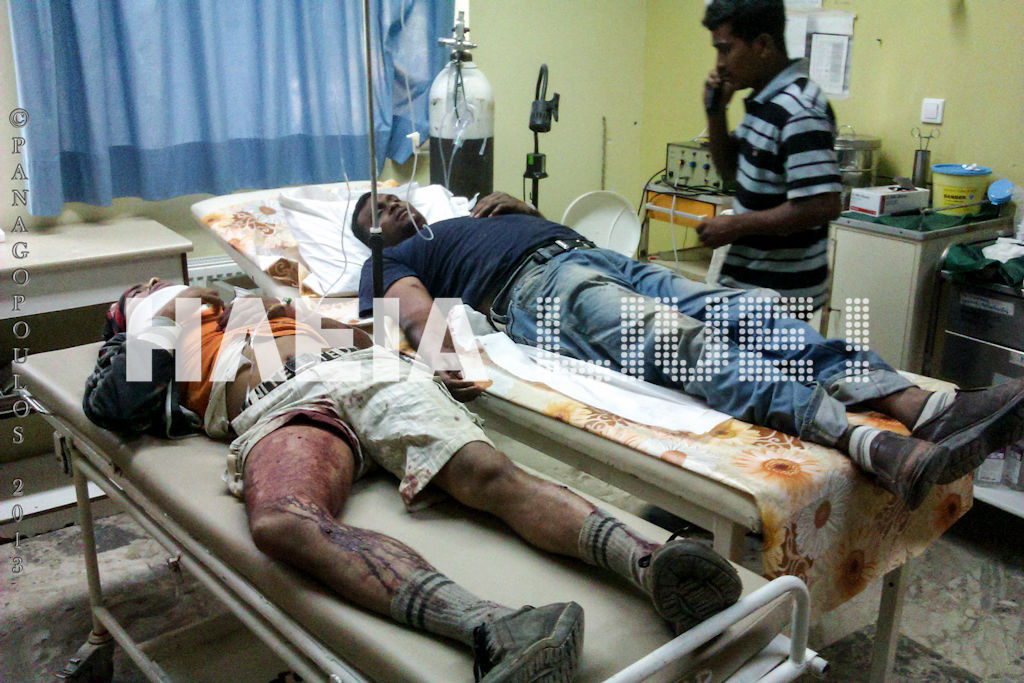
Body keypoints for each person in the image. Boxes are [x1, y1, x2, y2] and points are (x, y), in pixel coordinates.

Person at [82, 278, 744, 682]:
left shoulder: (260, 306)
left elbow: (366, 335)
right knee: (283, 520)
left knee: (488, 474)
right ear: (130, 311)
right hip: (282, 404)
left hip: (368, 373)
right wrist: (163, 311)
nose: (164, 283)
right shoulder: (150, 344)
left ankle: (654, 563)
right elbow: (115, 403)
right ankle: (496, 627)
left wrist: (432, 362)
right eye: (143, 288)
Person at [352, 191, 1024, 511]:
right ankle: (859, 440)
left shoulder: (466, 218)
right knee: (682, 342)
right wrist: (452, 364)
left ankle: (919, 404)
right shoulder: (388, 260)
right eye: (375, 212)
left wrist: (522, 208)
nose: (392, 207)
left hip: (601, 256)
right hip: (539, 290)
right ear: (369, 238)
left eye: (391, 198)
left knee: (750, 310)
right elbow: (413, 311)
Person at [696, 0, 841, 310]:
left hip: (779, 300)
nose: (719, 64)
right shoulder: (764, 103)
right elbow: (730, 172)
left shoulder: (798, 109)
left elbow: (822, 205)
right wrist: (716, 112)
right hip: (750, 289)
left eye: (726, 50)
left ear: (762, 45)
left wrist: (735, 225)